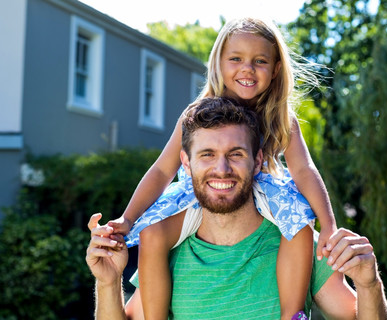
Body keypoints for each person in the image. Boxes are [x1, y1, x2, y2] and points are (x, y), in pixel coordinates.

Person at [108, 17, 336, 319]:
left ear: (276, 69)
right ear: (219, 62)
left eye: (260, 61)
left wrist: (329, 226)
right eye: (236, 59)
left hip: (261, 192)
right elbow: (163, 170)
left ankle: (293, 315)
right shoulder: (197, 113)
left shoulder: (281, 116)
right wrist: (128, 218)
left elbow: (304, 170)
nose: (247, 69)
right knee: (151, 234)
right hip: (201, 193)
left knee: (299, 229)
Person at [86, 97, 387, 319]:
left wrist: (368, 282)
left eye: (235, 154)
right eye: (207, 154)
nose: (221, 169)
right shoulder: (169, 250)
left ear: (258, 161)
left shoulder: (299, 242)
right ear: (186, 163)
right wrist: (108, 282)